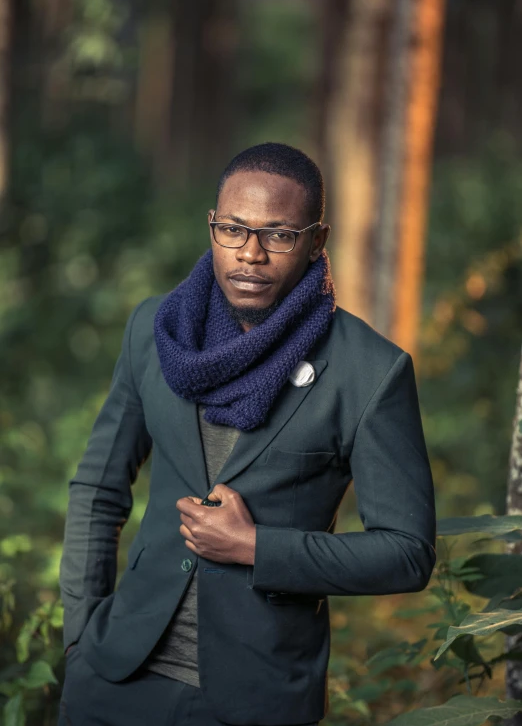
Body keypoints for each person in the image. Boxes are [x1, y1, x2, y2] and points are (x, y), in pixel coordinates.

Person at [58, 142, 436, 726]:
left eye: (278, 235)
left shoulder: (369, 371)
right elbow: (98, 489)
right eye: (233, 229)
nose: (250, 255)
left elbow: (407, 554)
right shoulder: (154, 333)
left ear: (317, 240)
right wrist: (81, 639)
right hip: (116, 679)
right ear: (212, 228)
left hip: (256, 700)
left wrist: (255, 547)